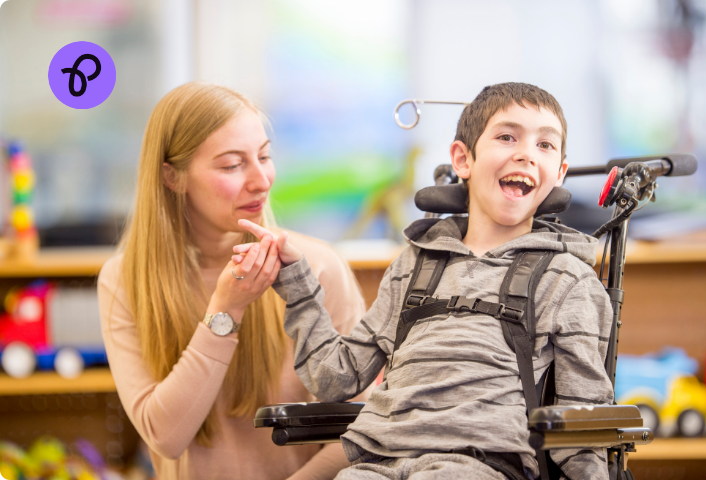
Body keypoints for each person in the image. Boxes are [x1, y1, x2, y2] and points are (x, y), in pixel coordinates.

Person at [244, 83, 615, 480]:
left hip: (480, 463)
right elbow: (336, 377)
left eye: (545, 145)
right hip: (378, 460)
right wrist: (297, 283)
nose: (526, 153)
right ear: (462, 158)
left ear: (558, 173)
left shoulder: (567, 279)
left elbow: (582, 421)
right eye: (507, 137)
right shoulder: (414, 266)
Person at [97, 81, 367, 480]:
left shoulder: (319, 268)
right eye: (231, 165)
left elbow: (363, 429)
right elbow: (166, 437)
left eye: (264, 156)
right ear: (172, 177)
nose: (261, 181)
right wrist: (226, 310)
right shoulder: (123, 281)